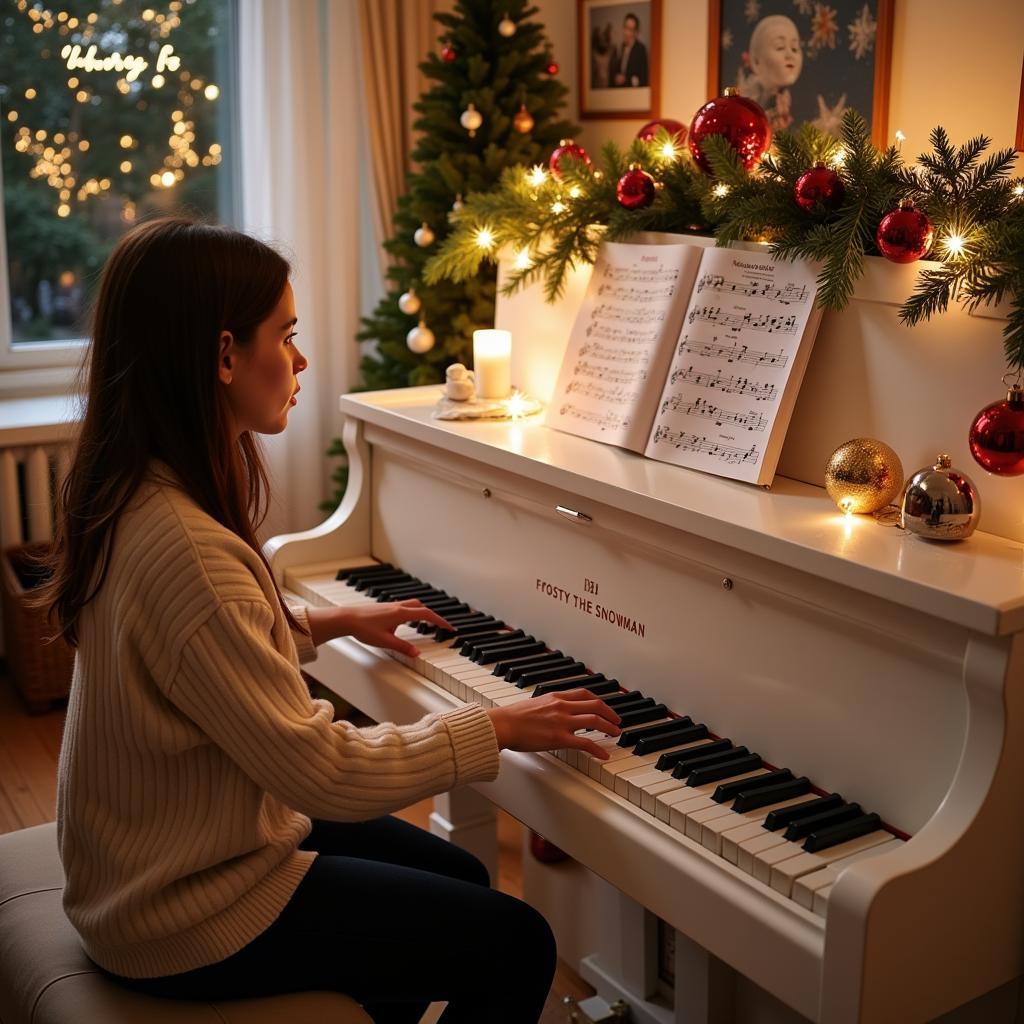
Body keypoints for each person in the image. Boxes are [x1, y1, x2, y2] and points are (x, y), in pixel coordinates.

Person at [38, 217, 623, 1024]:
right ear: (222, 355)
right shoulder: (190, 552)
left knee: (462, 882)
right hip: (182, 907)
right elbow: (325, 775)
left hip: (164, 856)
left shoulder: (133, 488)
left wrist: (331, 621)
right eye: (287, 334)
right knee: (517, 942)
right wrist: (495, 725)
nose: (302, 360)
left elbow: (199, 654)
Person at [738, 14, 803, 131]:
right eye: (780, 47)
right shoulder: (748, 106)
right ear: (756, 61)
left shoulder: (788, 98)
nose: (790, 55)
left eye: (795, 48)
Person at [612, 12, 648, 88]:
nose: (626, 32)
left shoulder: (640, 50)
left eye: (630, 29)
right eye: (625, 28)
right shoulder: (619, 48)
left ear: (636, 32)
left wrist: (626, 79)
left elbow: (643, 79)